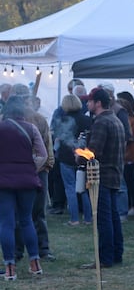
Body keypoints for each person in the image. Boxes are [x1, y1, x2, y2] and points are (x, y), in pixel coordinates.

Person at [0, 95, 47, 280]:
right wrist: (30, 168)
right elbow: (42, 155)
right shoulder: (31, 128)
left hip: (3, 181)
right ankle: (35, 264)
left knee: (6, 223)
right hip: (27, 180)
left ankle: (10, 267)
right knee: (27, 220)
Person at [84, 87, 127, 269]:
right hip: (114, 173)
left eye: (90, 101)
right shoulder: (115, 119)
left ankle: (105, 258)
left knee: (103, 218)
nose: (87, 104)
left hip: (102, 175)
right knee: (113, 216)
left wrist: (78, 152)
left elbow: (94, 152)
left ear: (98, 103)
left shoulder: (101, 122)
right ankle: (116, 253)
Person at [9, 85, 53, 264]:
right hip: (27, 171)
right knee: (23, 215)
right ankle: (24, 251)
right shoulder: (8, 121)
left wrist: (46, 165)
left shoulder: (38, 119)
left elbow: (46, 146)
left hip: (34, 170)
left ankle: (40, 249)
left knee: (34, 214)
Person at [51, 90, 90, 225]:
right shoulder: (87, 119)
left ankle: (74, 219)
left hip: (66, 157)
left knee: (70, 187)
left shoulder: (61, 120)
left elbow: (57, 138)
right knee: (84, 187)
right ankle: (88, 218)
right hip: (83, 157)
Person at [115, 91, 134, 217]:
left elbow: (129, 136)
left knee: (128, 180)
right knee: (132, 179)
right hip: (132, 153)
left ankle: (133, 205)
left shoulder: (129, 120)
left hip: (128, 153)